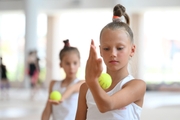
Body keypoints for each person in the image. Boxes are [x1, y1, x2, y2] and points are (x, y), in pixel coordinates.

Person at [75, 4, 146, 120]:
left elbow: (106, 105)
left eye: (120, 48)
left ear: (132, 50)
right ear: (100, 51)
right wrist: (91, 82)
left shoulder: (137, 85)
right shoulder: (86, 88)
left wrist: (92, 81)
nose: (113, 53)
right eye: (106, 48)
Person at [41, 39, 84, 120]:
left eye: (75, 63)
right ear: (61, 64)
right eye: (67, 63)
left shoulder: (82, 83)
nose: (71, 67)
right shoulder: (53, 84)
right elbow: (47, 110)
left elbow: (72, 88)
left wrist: (61, 98)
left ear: (79, 64)